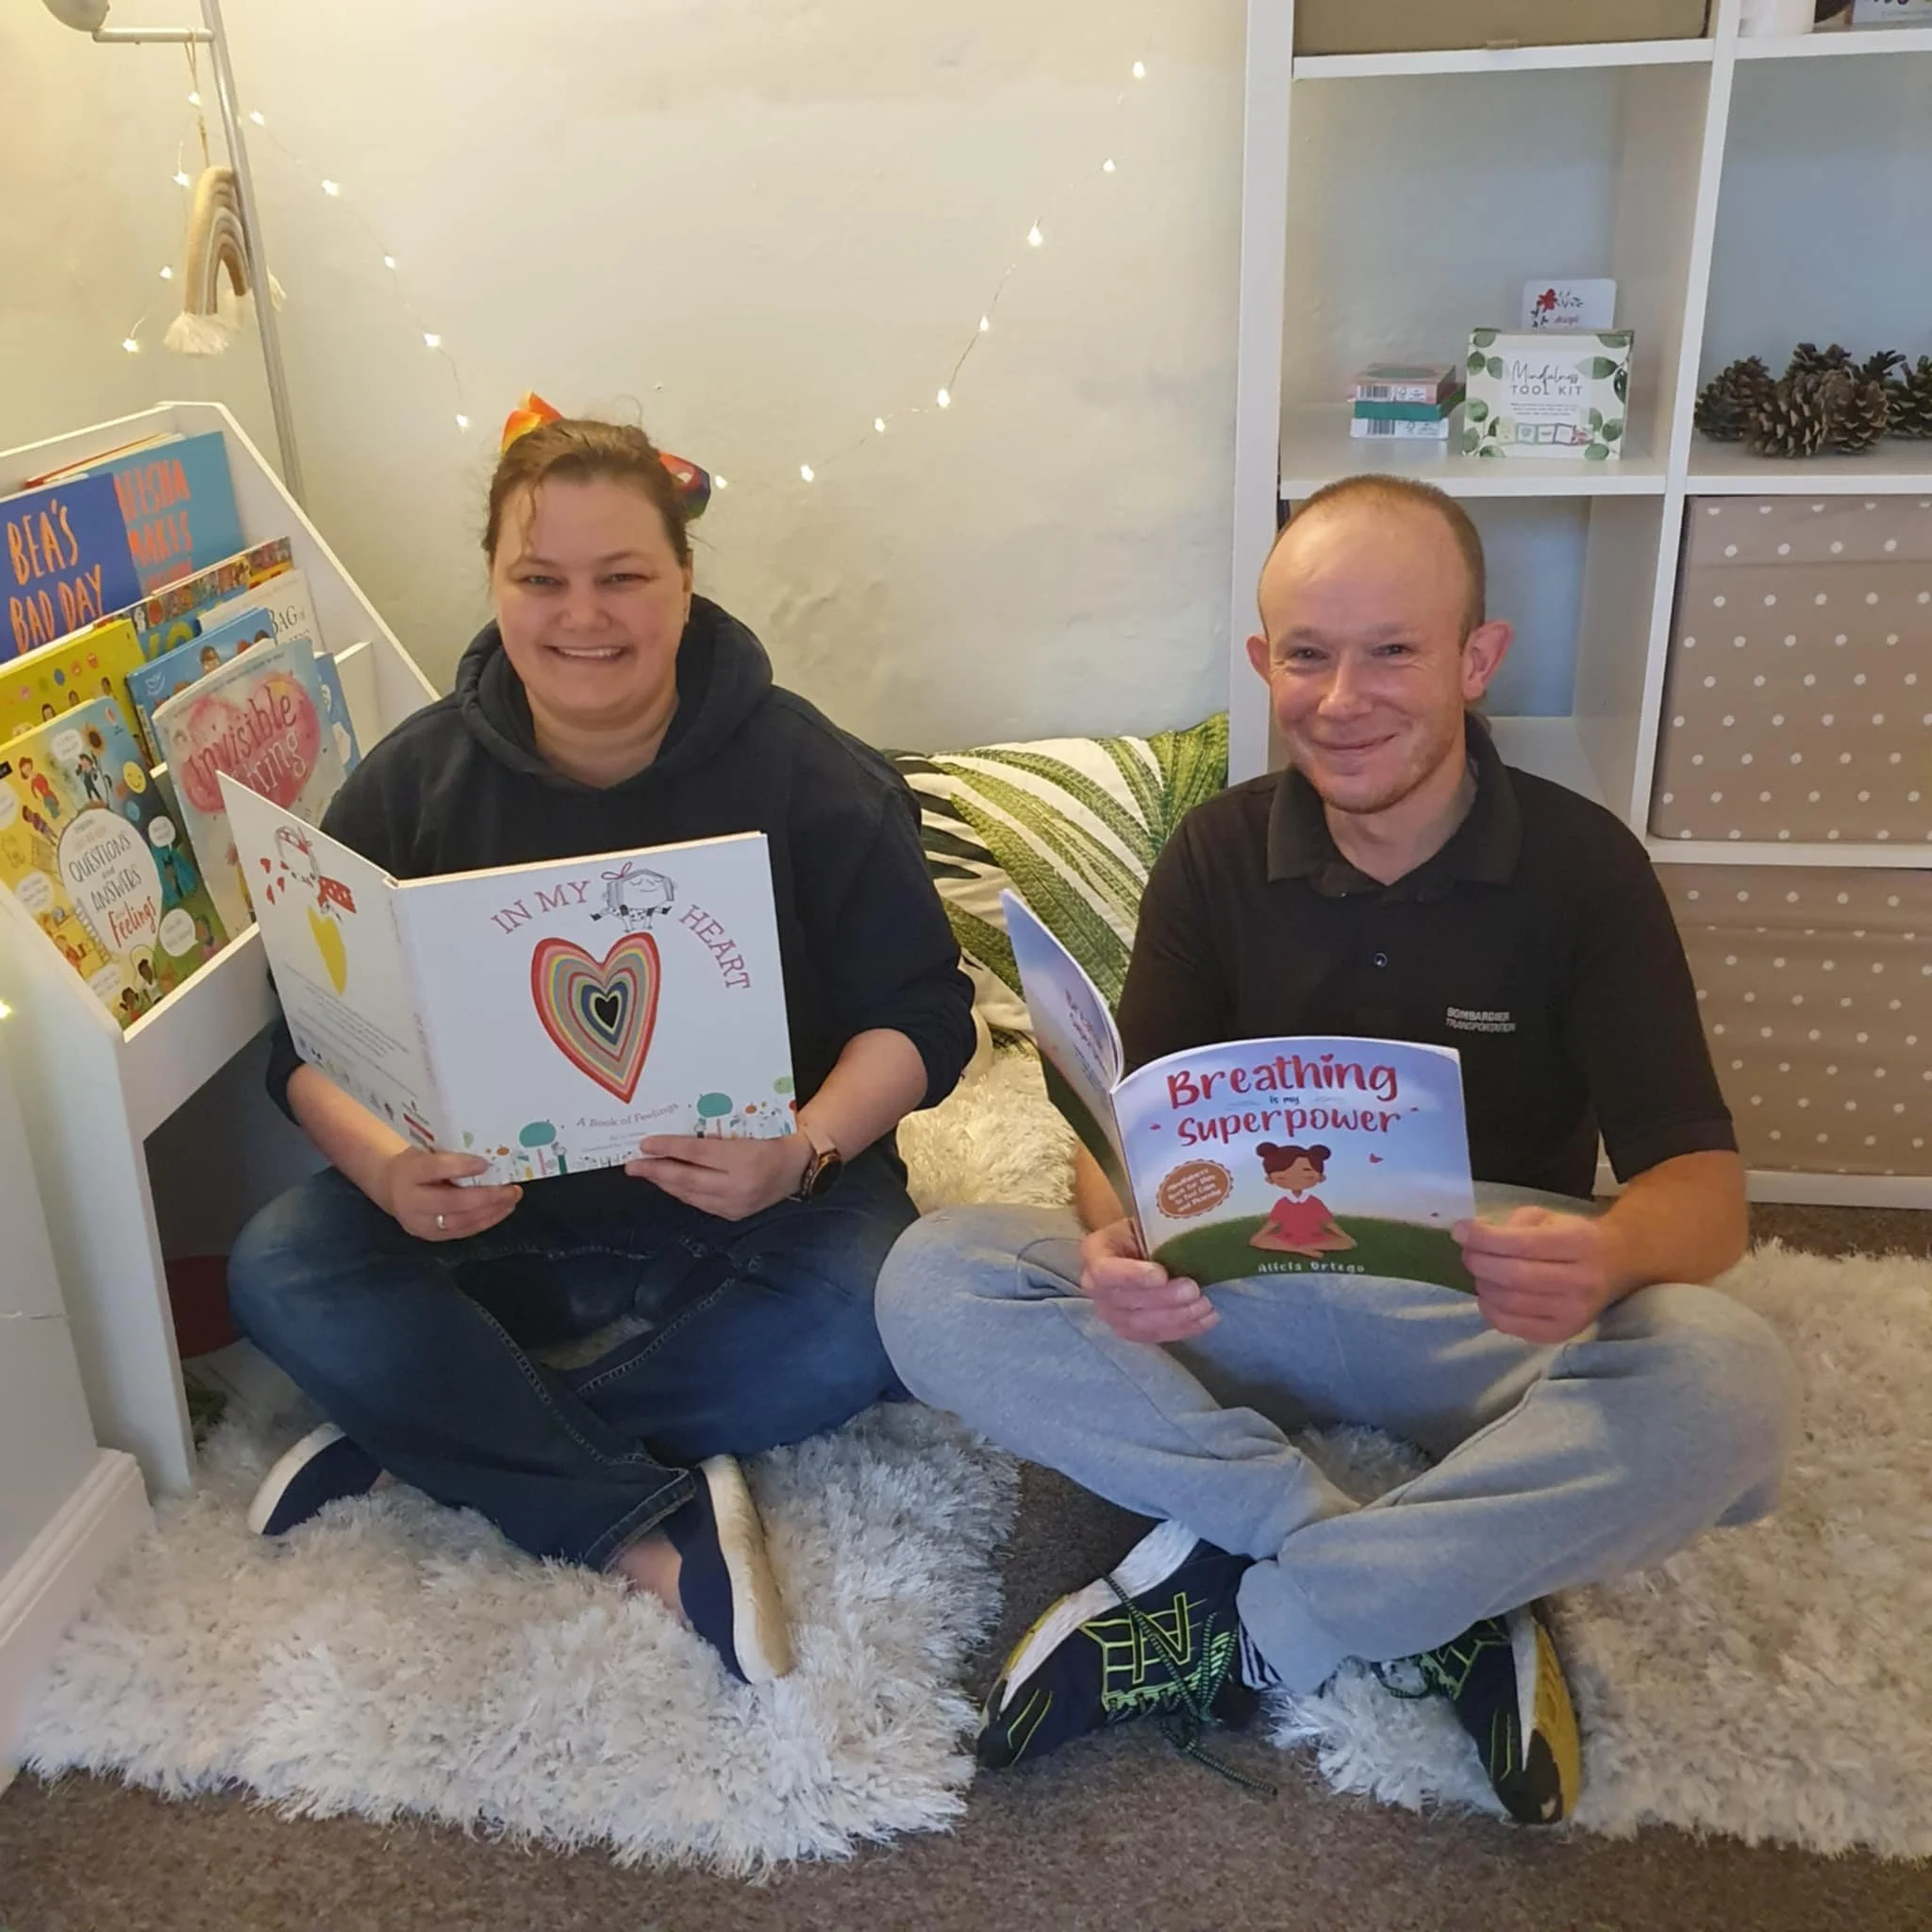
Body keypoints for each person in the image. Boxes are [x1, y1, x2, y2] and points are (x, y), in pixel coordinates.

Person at [876, 475, 1797, 1823]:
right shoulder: (1215, 855)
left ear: (1478, 660)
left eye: (1394, 653)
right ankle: (1434, 1578)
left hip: (1481, 1316)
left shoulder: (1586, 869)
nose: (1343, 698)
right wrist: (1121, 1237)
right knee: (935, 1277)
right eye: (1307, 654)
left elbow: (1707, 1193)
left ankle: (1262, 1611)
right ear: (1264, 663)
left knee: (1733, 1379)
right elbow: (1128, 1130)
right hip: (1247, 1293)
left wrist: (1603, 1256)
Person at [228, 411, 976, 1688]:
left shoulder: (812, 773)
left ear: (685, 583)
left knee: (877, 1317)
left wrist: (800, 1152)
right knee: (285, 1266)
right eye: (541, 579)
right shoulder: (409, 788)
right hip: (499, 1230)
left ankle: (435, 1441)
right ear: (495, 588)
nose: (584, 615)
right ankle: (633, 1509)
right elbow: (298, 1043)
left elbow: (923, 1020)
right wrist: (383, 1170)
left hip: (765, 1223)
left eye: (623, 575)